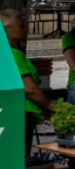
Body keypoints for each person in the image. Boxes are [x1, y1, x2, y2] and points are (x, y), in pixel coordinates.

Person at [2, 10, 53, 157]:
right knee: (18, 158)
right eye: (21, 26)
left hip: (10, 112)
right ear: (5, 30)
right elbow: (29, 88)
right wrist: (49, 106)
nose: (26, 29)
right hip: (20, 114)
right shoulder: (12, 54)